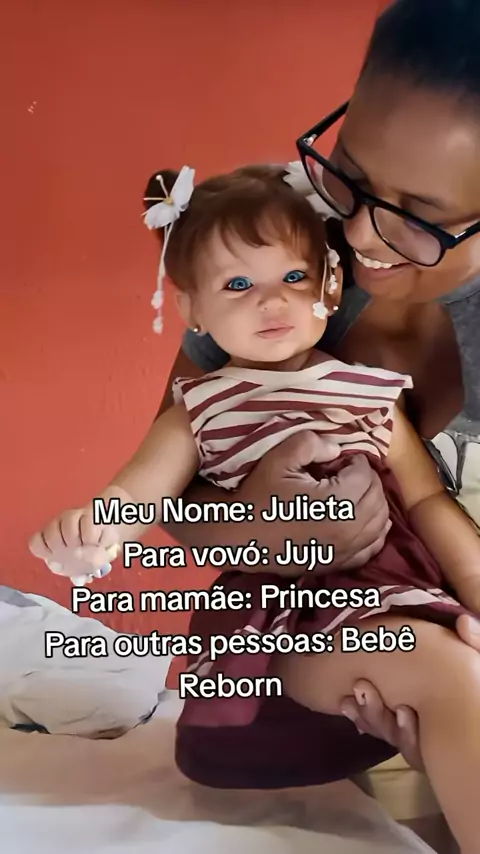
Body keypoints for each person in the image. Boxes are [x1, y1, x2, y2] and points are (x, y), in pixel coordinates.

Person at [30, 161, 480, 852]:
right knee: (452, 677)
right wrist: (88, 533)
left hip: (407, 595)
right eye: (238, 285)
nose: (272, 303)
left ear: (329, 286)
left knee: (456, 684)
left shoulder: (370, 394)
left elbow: (426, 500)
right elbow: (135, 497)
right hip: (291, 618)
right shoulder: (201, 409)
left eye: (293, 277)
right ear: (193, 312)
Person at [152, 0, 480, 788]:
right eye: (349, 175)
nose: (357, 235)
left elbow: (430, 507)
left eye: (420, 217)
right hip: (300, 656)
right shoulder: (273, 245)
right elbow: (169, 499)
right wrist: (250, 524)